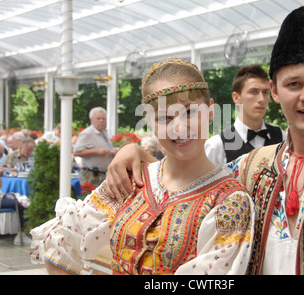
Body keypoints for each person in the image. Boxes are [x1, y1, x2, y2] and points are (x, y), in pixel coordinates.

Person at [105, 6, 304, 275]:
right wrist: (135, 153)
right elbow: (186, 180)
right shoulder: (248, 169)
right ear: (275, 91)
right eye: (294, 83)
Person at [30, 58, 254, 275]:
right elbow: (61, 239)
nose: (179, 127)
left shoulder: (230, 201)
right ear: (150, 123)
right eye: (164, 117)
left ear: (211, 113)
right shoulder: (132, 179)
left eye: (190, 112)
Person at [205, 64, 284, 166]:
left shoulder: (282, 137)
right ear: (236, 98)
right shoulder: (216, 145)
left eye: (265, 92)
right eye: (253, 92)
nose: (261, 99)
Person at [73, 107, 116, 188]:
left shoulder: (104, 133)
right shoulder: (87, 133)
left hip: (103, 175)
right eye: (98, 118)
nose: (101, 121)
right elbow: (76, 152)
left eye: (103, 118)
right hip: (91, 176)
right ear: (91, 120)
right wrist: (96, 151)